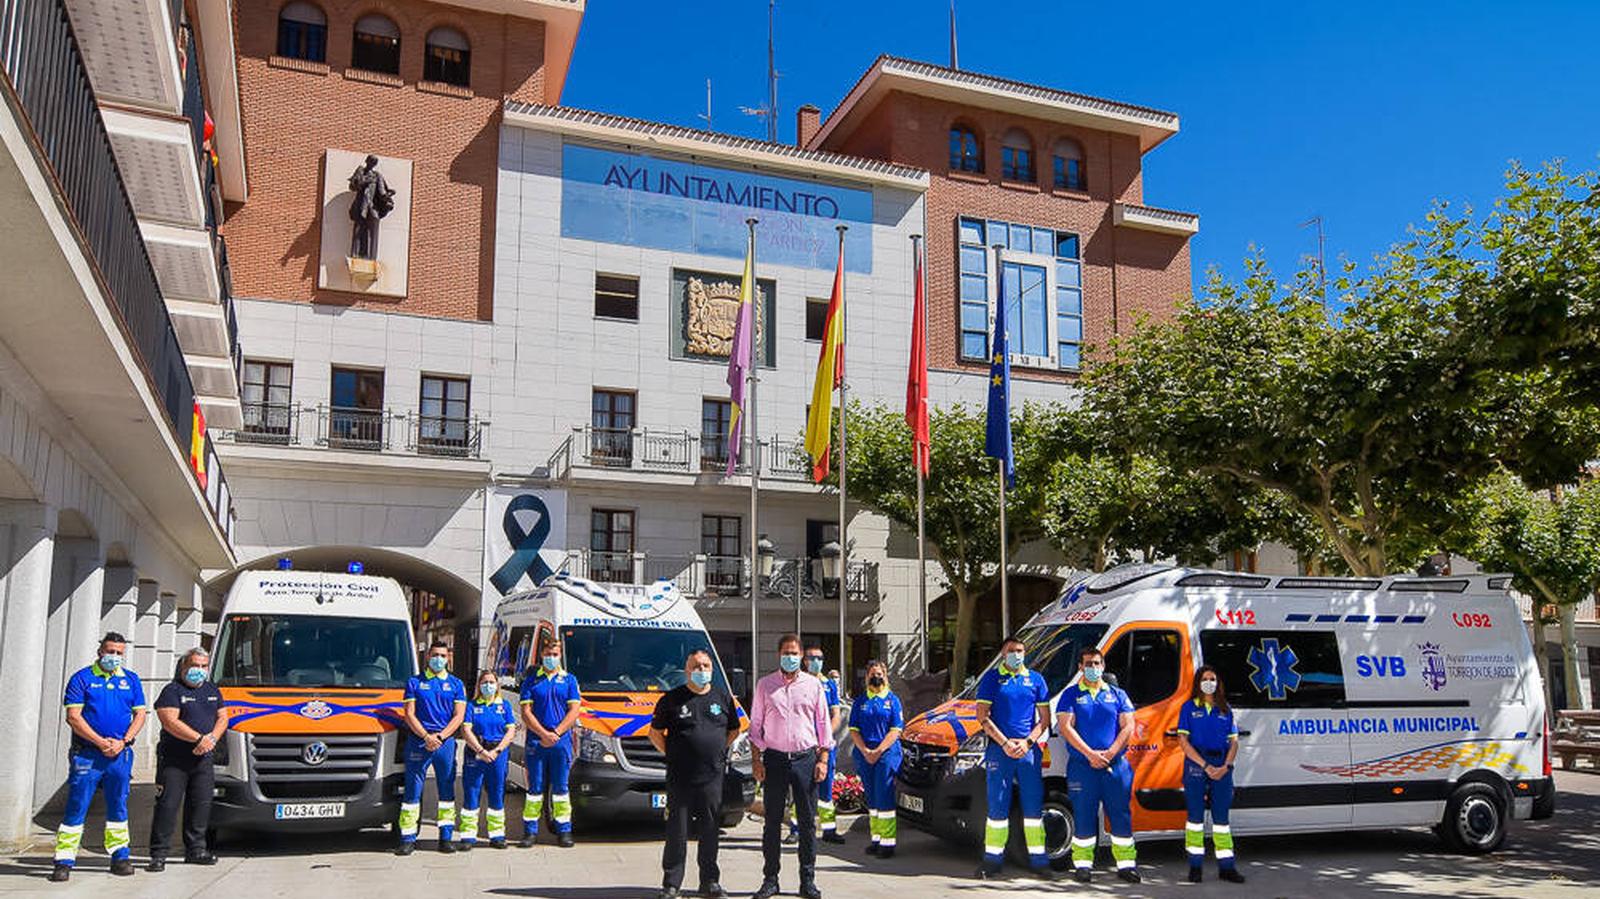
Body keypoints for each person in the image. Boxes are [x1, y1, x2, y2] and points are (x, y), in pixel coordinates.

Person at [51, 633, 146, 882]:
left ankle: (120, 856)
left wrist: (124, 741)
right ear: (100, 651)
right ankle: (64, 860)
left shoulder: (131, 680)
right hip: (88, 755)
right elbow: (73, 717)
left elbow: (140, 715)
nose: (114, 656)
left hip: (120, 754)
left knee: (118, 805)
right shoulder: (82, 678)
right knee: (77, 806)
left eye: (119, 653)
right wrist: (100, 742)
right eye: (110, 651)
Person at [648, 649, 741, 899]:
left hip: (712, 776)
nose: (702, 670)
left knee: (710, 831)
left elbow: (734, 730)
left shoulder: (723, 697)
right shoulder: (671, 699)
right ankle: (671, 884)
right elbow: (654, 733)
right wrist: (672, 753)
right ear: (687, 670)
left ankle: (709, 882)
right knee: (677, 832)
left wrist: (717, 751)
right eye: (696, 666)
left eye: (706, 666)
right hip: (681, 777)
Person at [748, 633, 832, 899]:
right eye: (786, 653)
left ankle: (807, 881)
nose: (790, 657)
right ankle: (770, 880)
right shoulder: (765, 685)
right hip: (774, 759)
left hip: (805, 760)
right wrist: (756, 759)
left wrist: (823, 759)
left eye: (794, 653)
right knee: (772, 822)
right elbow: (755, 725)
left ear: (801, 656)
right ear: (779, 655)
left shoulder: (813, 685)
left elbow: (823, 724)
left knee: (807, 823)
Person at [973, 635, 1056, 881]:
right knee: (997, 806)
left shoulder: (1036, 680)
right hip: (1000, 750)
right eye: (1011, 650)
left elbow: (1045, 719)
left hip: (1028, 751)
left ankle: (1039, 861)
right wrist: (1005, 743)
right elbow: (982, 716)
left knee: (1033, 807)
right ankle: (992, 860)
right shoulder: (991, 679)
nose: (1016, 654)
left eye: (1020, 650)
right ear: (1002, 653)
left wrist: (1027, 742)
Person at [1056, 647, 1139, 884]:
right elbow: (1066, 727)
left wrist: (1110, 753)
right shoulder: (1070, 695)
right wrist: (1090, 754)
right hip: (1083, 767)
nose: (1093, 668)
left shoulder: (1117, 694)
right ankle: (1083, 866)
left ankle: (1126, 865)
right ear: (1080, 667)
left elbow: (1128, 726)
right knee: (1084, 815)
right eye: (1088, 664)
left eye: (1097, 663)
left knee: (1120, 815)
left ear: (1103, 666)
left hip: (1115, 767)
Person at [147, 647, 227, 871]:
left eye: (203, 666)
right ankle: (158, 854)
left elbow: (223, 718)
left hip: (203, 759)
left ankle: (196, 850)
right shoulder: (172, 691)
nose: (199, 670)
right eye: (195, 665)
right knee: (167, 805)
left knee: (200, 805)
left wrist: (211, 740)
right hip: (174, 760)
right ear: (184, 666)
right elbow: (169, 721)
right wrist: (198, 739)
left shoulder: (212, 690)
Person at [397, 640, 467, 855]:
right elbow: (409, 714)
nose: (439, 659)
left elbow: (459, 716)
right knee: (412, 791)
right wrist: (426, 736)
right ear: (428, 656)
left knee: (446, 791)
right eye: (435, 655)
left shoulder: (456, 684)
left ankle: (445, 838)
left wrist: (441, 737)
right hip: (419, 741)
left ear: (448, 658)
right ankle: (407, 839)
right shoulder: (414, 682)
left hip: (444, 743)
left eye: (443, 656)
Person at [1177, 666, 1245, 883]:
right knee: (1195, 820)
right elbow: (1183, 741)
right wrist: (1205, 766)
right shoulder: (1189, 707)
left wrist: (1226, 766)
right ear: (1198, 683)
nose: (1209, 682)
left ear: (1218, 682)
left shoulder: (1225, 709)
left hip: (1222, 765)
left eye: (1212, 679)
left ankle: (1227, 867)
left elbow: (1234, 742)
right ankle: (1195, 867)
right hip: (1197, 765)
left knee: (1221, 820)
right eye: (1205, 679)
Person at [519, 636, 581, 848]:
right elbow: (526, 712)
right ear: (541, 655)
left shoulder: (570, 680)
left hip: (560, 742)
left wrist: (556, 732)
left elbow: (574, 711)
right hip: (536, 742)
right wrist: (543, 734)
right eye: (548, 654)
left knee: (561, 788)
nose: (551, 658)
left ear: (560, 655)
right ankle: (530, 832)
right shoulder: (531, 681)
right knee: (534, 789)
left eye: (555, 654)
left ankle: (564, 831)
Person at [789, 645, 845, 845]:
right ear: (805, 661)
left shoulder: (829, 685)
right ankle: (796, 829)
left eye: (820, 658)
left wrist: (825, 738)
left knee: (826, 790)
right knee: (801, 788)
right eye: (812, 658)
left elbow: (836, 715)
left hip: (825, 747)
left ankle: (829, 830)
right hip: (804, 745)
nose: (816, 661)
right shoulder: (797, 682)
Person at [848, 660, 903, 859]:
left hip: (886, 754)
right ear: (866, 677)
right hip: (865, 754)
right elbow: (854, 729)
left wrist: (878, 751)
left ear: (885, 676)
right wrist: (865, 751)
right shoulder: (860, 701)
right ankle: (876, 839)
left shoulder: (892, 700)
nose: (876, 677)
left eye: (879, 674)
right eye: (872, 674)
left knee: (884, 795)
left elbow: (896, 730)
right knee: (872, 798)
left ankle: (888, 844)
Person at [460, 670, 519, 850]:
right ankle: (468, 837)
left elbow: (511, 731)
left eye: (491, 682)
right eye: (484, 682)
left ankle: (497, 836)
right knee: (472, 793)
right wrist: (481, 750)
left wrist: (497, 750)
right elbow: (466, 730)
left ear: (497, 685)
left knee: (496, 793)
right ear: (479, 685)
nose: (488, 686)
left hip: (498, 754)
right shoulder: (471, 705)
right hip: (476, 753)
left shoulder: (504, 705)